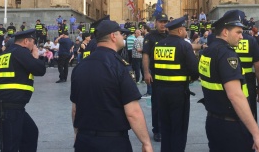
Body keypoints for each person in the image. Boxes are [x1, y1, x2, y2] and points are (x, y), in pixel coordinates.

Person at [70, 20, 153, 152]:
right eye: (121, 34)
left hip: (84, 140)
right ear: (113, 36)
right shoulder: (120, 66)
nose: (123, 37)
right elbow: (133, 112)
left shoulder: (80, 67)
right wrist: (146, 142)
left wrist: (77, 134)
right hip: (113, 142)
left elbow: (75, 109)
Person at [198, 10, 259, 152]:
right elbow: (235, 96)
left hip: (213, 121)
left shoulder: (207, 52)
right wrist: (257, 134)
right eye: (238, 32)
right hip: (232, 126)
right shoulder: (227, 55)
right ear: (225, 32)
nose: (242, 37)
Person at [0, 29, 46, 152]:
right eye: (33, 43)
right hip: (8, 110)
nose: (34, 46)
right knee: (10, 147)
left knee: (30, 133)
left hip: (9, 107)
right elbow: (40, 70)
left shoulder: (6, 53)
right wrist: (36, 57)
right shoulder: (21, 52)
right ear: (26, 41)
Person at [154, 16, 199, 152]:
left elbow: (153, 66)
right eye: (185, 29)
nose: (186, 31)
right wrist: (191, 78)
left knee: (165, 126)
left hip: (160, 91)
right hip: (178, 92)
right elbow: (194, 70)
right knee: (179, 127)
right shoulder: (184, 45)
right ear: (180, 31)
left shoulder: (159, 45)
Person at [143, 12, 169, 142]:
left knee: (169, 103)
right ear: (156, 22)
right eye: (161, 22)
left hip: (170, 76)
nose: (163, 24)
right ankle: (157, 130)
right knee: (157, 104)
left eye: (165, 22)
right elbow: (146, 55)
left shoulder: (171, 36)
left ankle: (167, 128)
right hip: (156, 76)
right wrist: (146, 73)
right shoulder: (150, 36)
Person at [234, 15, 259, 121]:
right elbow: (258, 65)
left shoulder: (226, 41)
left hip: (228, 80)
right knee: (249, 112)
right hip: (248, 81)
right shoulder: (251, 40)